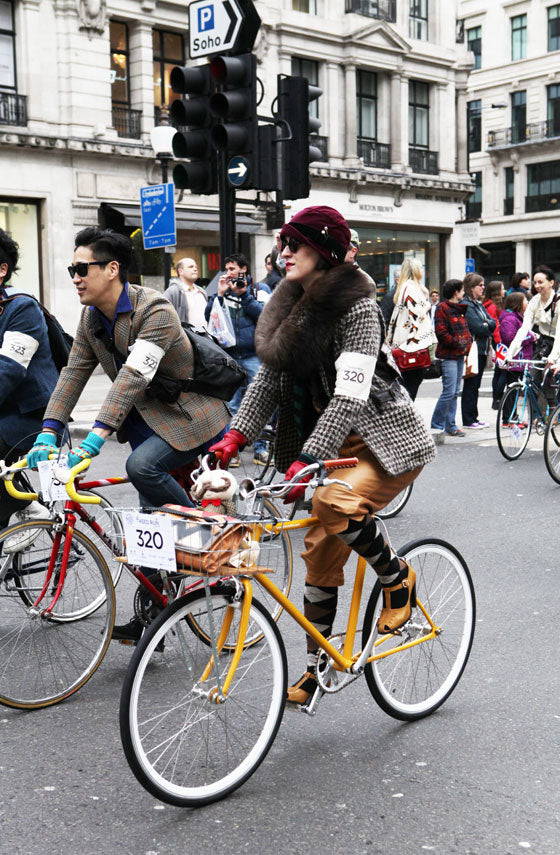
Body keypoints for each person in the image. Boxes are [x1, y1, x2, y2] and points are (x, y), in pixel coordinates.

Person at [209, 205, 436, 706]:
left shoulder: (359, 307)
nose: (283, 252)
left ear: (326, 252)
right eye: (283, 243)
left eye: (297, 244)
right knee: (319, 561)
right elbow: (268, 378)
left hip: (379, 438)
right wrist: (235, 437)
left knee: (334, 504)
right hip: (327, 445)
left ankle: (398, 579)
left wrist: (310, 454)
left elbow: (350, 395)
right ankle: (318, 665)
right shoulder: (289, 304)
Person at [25, 227, 229, 643]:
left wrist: (96, 437)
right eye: (71, 270)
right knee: (145, 526)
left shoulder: (153, 309)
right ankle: (155, 612)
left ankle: (212, 531)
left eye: (82, 268)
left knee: (141, 468)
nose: (76, 277)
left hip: (189, 414)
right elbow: (73, 373)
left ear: (112, 269)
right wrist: (49, 429)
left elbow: (132, 378)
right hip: (145, 422)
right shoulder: (90, 318)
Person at [0, 228, 58, 534]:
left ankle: (26, 507)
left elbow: (8, 369)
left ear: (2, 270)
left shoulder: (22, 308)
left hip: (33, 418)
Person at [205, 253, 271, 465]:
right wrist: (220, 295)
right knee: (231, 405)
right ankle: (231, 450)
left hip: (253, 354)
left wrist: (244, 296)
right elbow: (210, 317)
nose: (229, 273)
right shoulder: (221, 290)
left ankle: (261, 449)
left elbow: (264, 316)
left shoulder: (259, 290)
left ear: (244, 269)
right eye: (227, 269)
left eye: (233, 269)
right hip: (230, 356)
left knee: (261, 402)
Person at [506, 265, 560, 407]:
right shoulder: (534, 301)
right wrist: (510, 353)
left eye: (541, 282)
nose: (537, 286)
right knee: (533, 377)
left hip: (558, 342)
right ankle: (536, 416)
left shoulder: (558, 301)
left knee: (549, 375)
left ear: (551, 283)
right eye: (535, 282)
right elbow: (524, 329)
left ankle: (554, 409)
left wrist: (553, 357)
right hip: (543, 342)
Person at [386, 257, 436, 401]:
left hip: (405, 344)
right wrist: (427, 304)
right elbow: (418, 315)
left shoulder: (405, 287)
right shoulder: (410, 288)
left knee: (406, 388)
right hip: (412, 346)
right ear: (416, 270)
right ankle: (406, 420)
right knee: (410, 389)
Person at [430, 279, 472, 437]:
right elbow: (441, 332)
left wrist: (466, 343)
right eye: (462, 290)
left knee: (455, 391)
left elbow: (465, 329)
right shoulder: (442, 308)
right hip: (449, 356)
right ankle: (437, 424)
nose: (463, 293)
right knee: (449, 391)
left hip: (460, 354)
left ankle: (451, 425)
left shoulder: (460, 308)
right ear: (456, 292)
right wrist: (458, 343)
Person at [460, 272, 496, 429]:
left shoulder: (479, 304)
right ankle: (468, 419)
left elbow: (493, 323)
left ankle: (473, 417)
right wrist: (487, 325)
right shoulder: (466, 304)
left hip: (482, 349)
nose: (483, 287)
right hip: (473, 349)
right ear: (471, 287)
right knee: (471, 384)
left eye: (483, 284)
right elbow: (477, 327)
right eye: (480, 285)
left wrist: (487, 324)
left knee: (476, 385)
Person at [499, 293, 537, 412]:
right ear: (518, 303)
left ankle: (512, 417)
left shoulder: (518, 317)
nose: (528, 302)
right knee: (512, 389)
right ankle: (508, 418)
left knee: (516, 390)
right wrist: (531, 338)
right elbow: (510, 338)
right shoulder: (510, 319)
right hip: (515, 360)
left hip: (521, 360)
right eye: (525, 300)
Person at [164, 257, 207, 328]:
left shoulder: (202, 292)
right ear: (180, 271)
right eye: (191, 267)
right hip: (186, 337)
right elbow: (165, 317)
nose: (195, 269)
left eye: (196, 267)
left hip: (205, 337)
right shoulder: (172, 292)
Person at [483, 279, 505, 408]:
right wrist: (500, 342)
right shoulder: (492, 306)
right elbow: (495, 325)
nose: (504, 291)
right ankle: (497, 399)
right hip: (499, 341)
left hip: (498, 341)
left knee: (499, 370)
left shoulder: (489, 304)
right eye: (502, 288)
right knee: (501, 371)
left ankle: (496, 399)